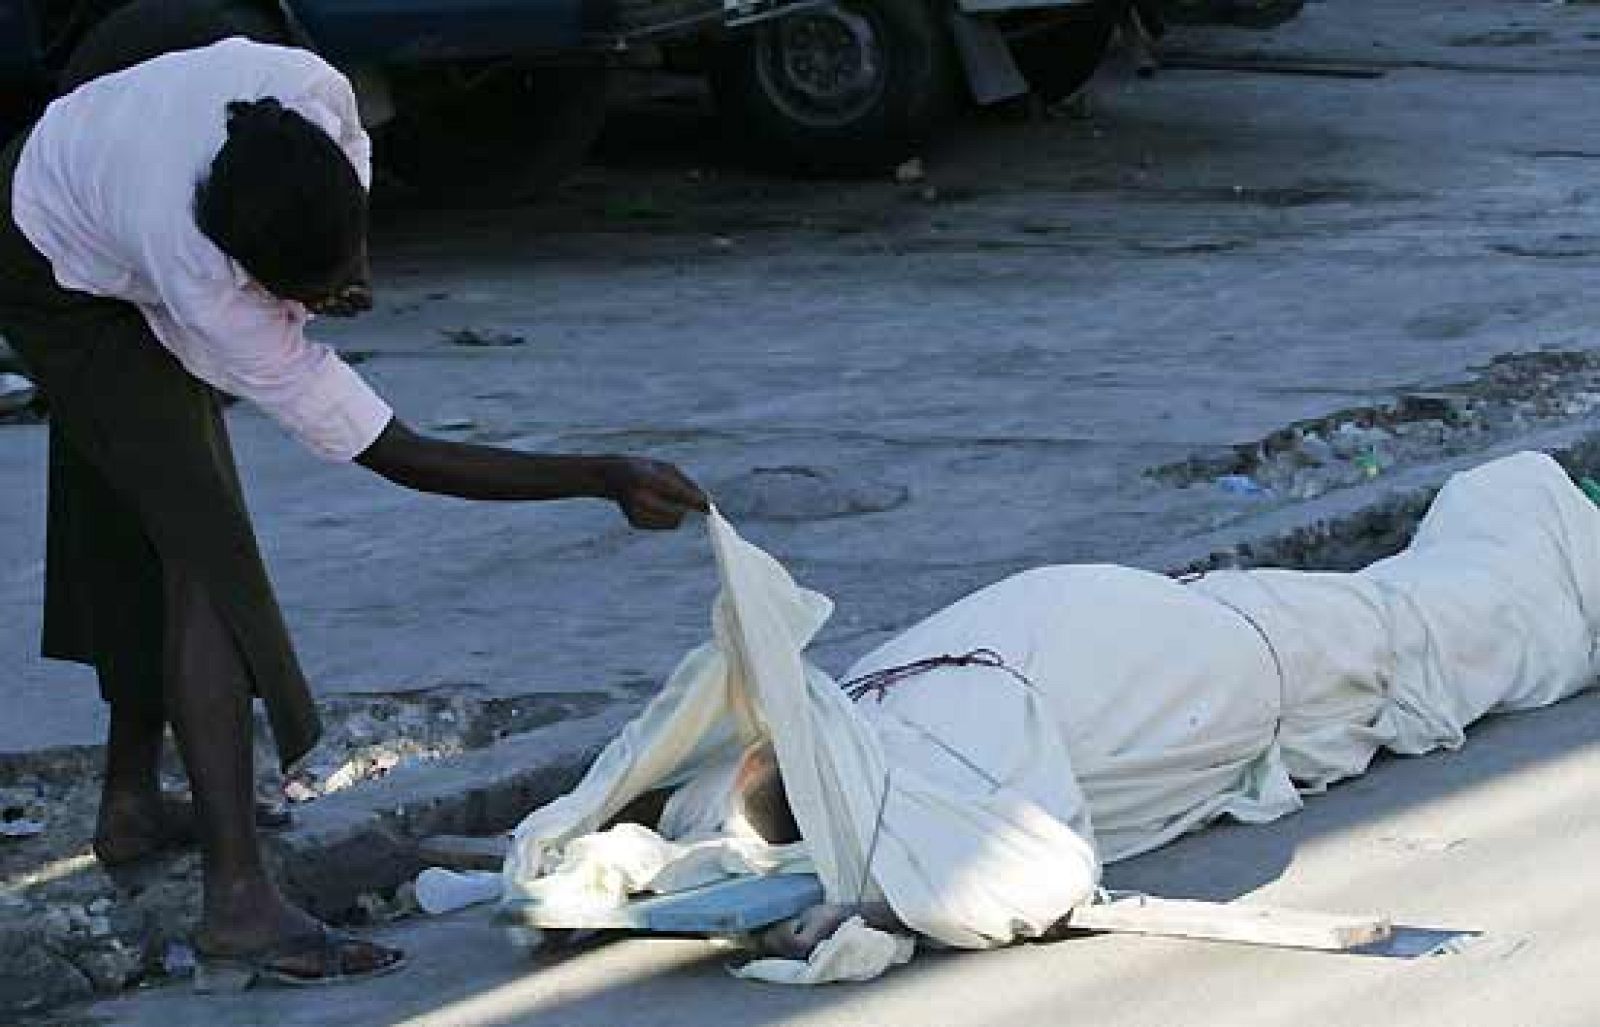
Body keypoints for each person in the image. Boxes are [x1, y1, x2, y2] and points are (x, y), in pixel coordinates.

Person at [0, 12, 708, 988]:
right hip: (42, 254)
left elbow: (337, 205)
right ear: (243, 275)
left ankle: (132, 804)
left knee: (152, 513)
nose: (330, 303)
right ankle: (237, 902)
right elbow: (395, 452)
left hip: (106, 155)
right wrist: (599, 474)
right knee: (204, 552)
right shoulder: (201, 285)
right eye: (302, 296)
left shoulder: (316, 95)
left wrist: (342, 266)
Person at [501, 451, 1600, 976]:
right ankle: (1537, 513)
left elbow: (1024, 881)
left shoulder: (915, 781)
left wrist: (870, 911)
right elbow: (681, 811)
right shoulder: (843, 725)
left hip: (1213, 652)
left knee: (1445, 627)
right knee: (1423, 616)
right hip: (1171, 636)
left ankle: (1551, 522)